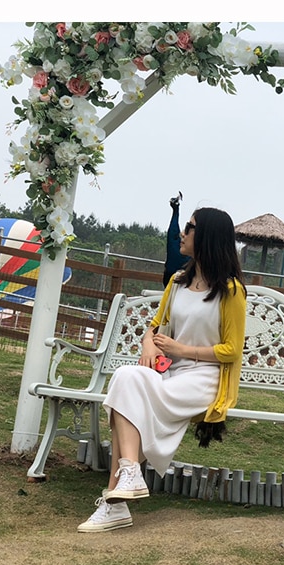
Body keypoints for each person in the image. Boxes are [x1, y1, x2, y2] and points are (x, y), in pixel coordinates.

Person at [78, 206, 247, 532]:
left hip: (205, 380)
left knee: (122, 406)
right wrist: (147, 346)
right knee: (125, 378)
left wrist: (182, 350)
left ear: (207, 236)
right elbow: (154, 329)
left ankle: (115, 502)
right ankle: (129, 473)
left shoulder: (231, 291)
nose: (182, 233)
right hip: (169, 372)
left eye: (190, 227)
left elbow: (232, 351)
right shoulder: (178, 282)